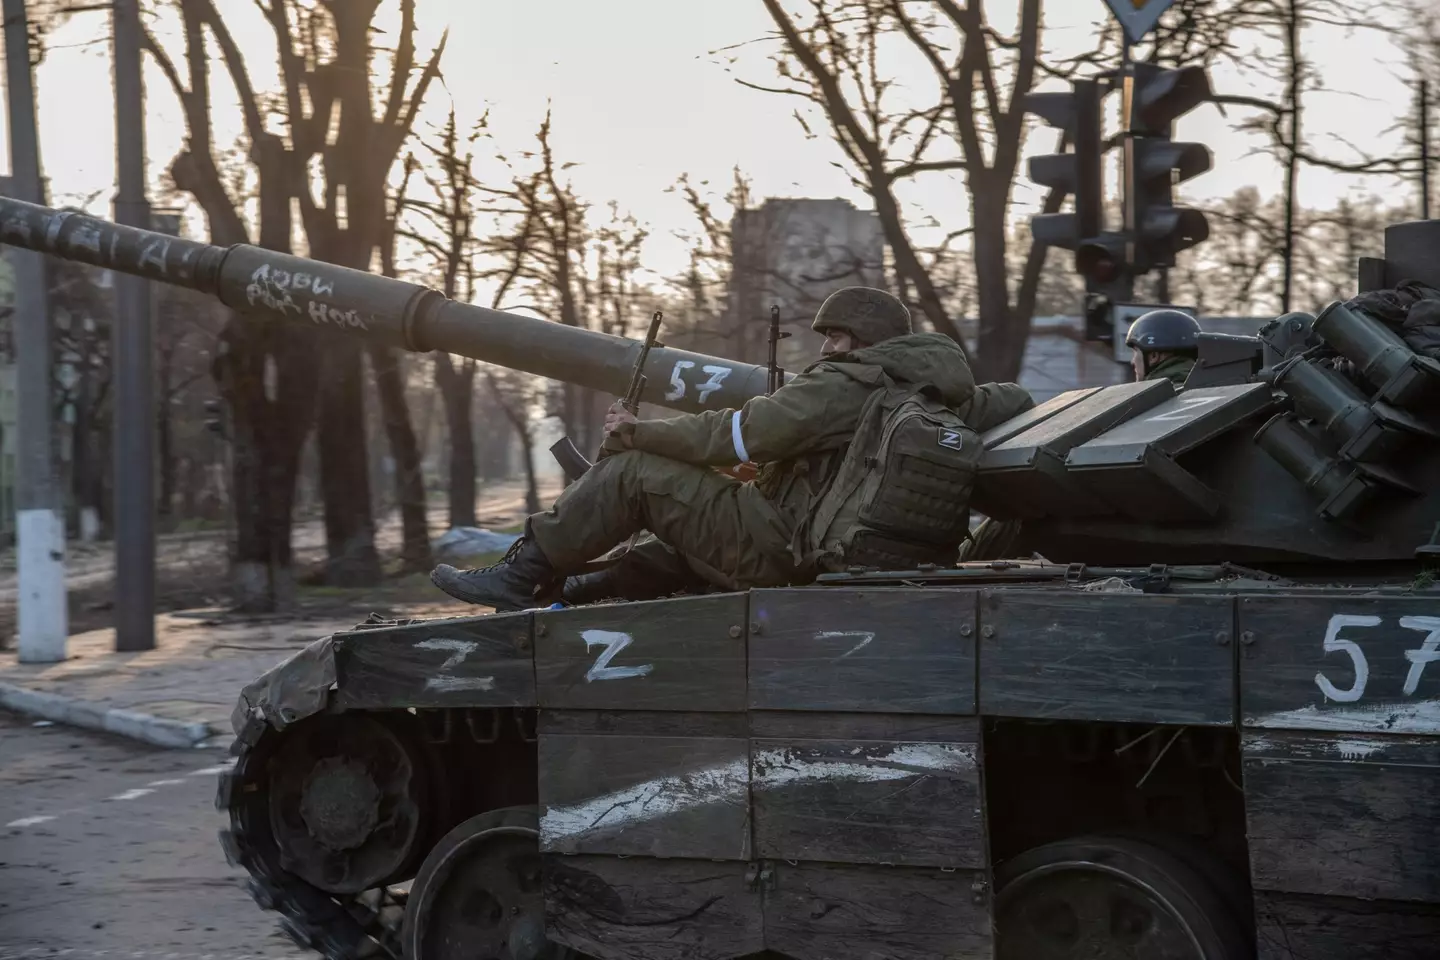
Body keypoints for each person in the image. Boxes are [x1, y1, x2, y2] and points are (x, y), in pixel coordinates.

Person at [430, 286, 1034, 612]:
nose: (826, 349)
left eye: (838, 337)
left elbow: (739, 432)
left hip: (787, 548)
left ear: (866, 341)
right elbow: (1011, 399)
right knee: (688, 524)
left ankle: (521, 575)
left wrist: (639, 432)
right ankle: (573, 594)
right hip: (839, 551)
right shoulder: (935, 393)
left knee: (636, 476)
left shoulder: (845, 384)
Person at [1126, 308, 1202, 387]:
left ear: (1153, 356)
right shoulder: (1207, 387)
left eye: (1135, 351)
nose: (1132, 362)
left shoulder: (1154, 397)